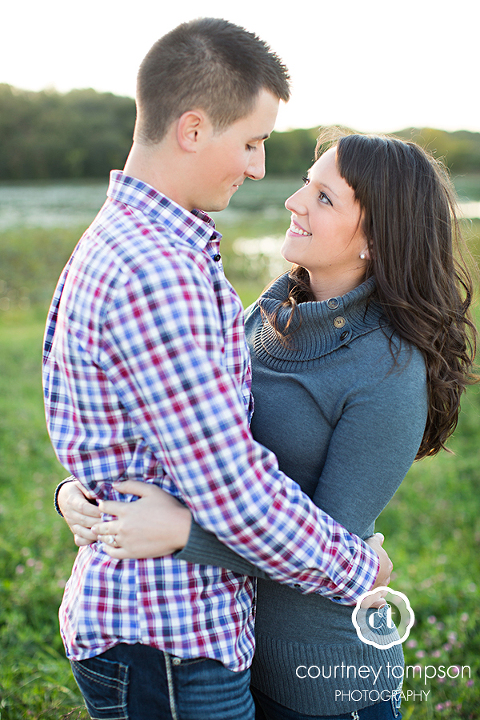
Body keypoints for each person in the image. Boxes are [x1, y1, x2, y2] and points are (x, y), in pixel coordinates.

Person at [59, 132, 477, 719]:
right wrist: (80, 493)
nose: (294, 201)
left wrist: (181, 534)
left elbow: (328, 553)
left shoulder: (389, 370)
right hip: (224, 651)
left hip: (322, 681)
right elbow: (179, 437)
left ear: (378, 239)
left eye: (325, 197)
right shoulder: (263, 316)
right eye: (308, 182)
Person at [44, 20, 391, 720]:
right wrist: (358, 568)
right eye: (253, 142)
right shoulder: (155, 269)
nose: (260, 168)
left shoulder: (132, 240)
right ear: (195, 129)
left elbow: (119, 427)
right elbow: (231, 484)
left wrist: (79, 492)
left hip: (168, 634)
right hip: (166, 638)